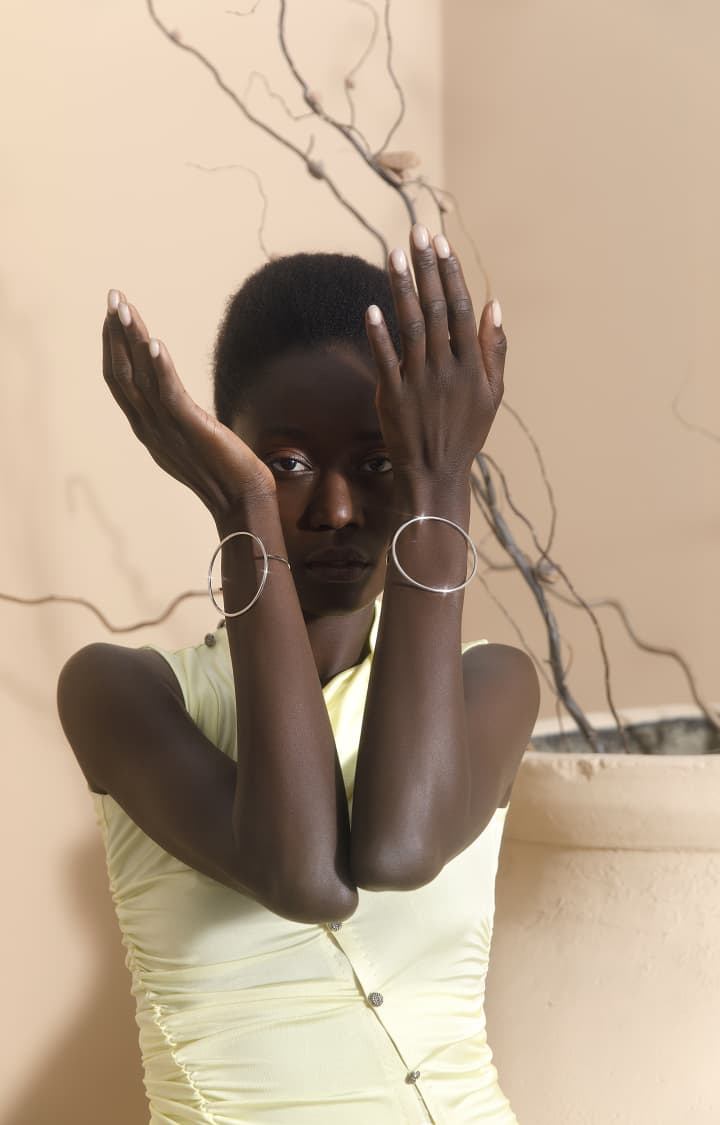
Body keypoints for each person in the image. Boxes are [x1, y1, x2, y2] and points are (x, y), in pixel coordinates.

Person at [57, 223, 539, 1124]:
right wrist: (242, 508)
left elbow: (398, 849)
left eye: (380, 461)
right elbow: (305, 876)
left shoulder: (495, 685)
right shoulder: (119, 693)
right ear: (218, 447)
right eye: (286, 464)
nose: (338, 508)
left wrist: (442, 480)